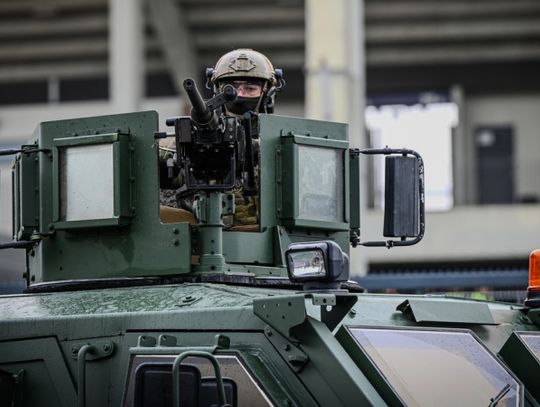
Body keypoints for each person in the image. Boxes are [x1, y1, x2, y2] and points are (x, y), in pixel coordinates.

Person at [160, 49, 284, 227]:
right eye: (231, 89)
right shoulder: (191, 141)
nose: (240, 95)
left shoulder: (280, 144)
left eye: (250, 89)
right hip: (202, 243)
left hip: (266, 243)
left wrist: (254, 148)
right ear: (218, 91)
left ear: (267, 93)